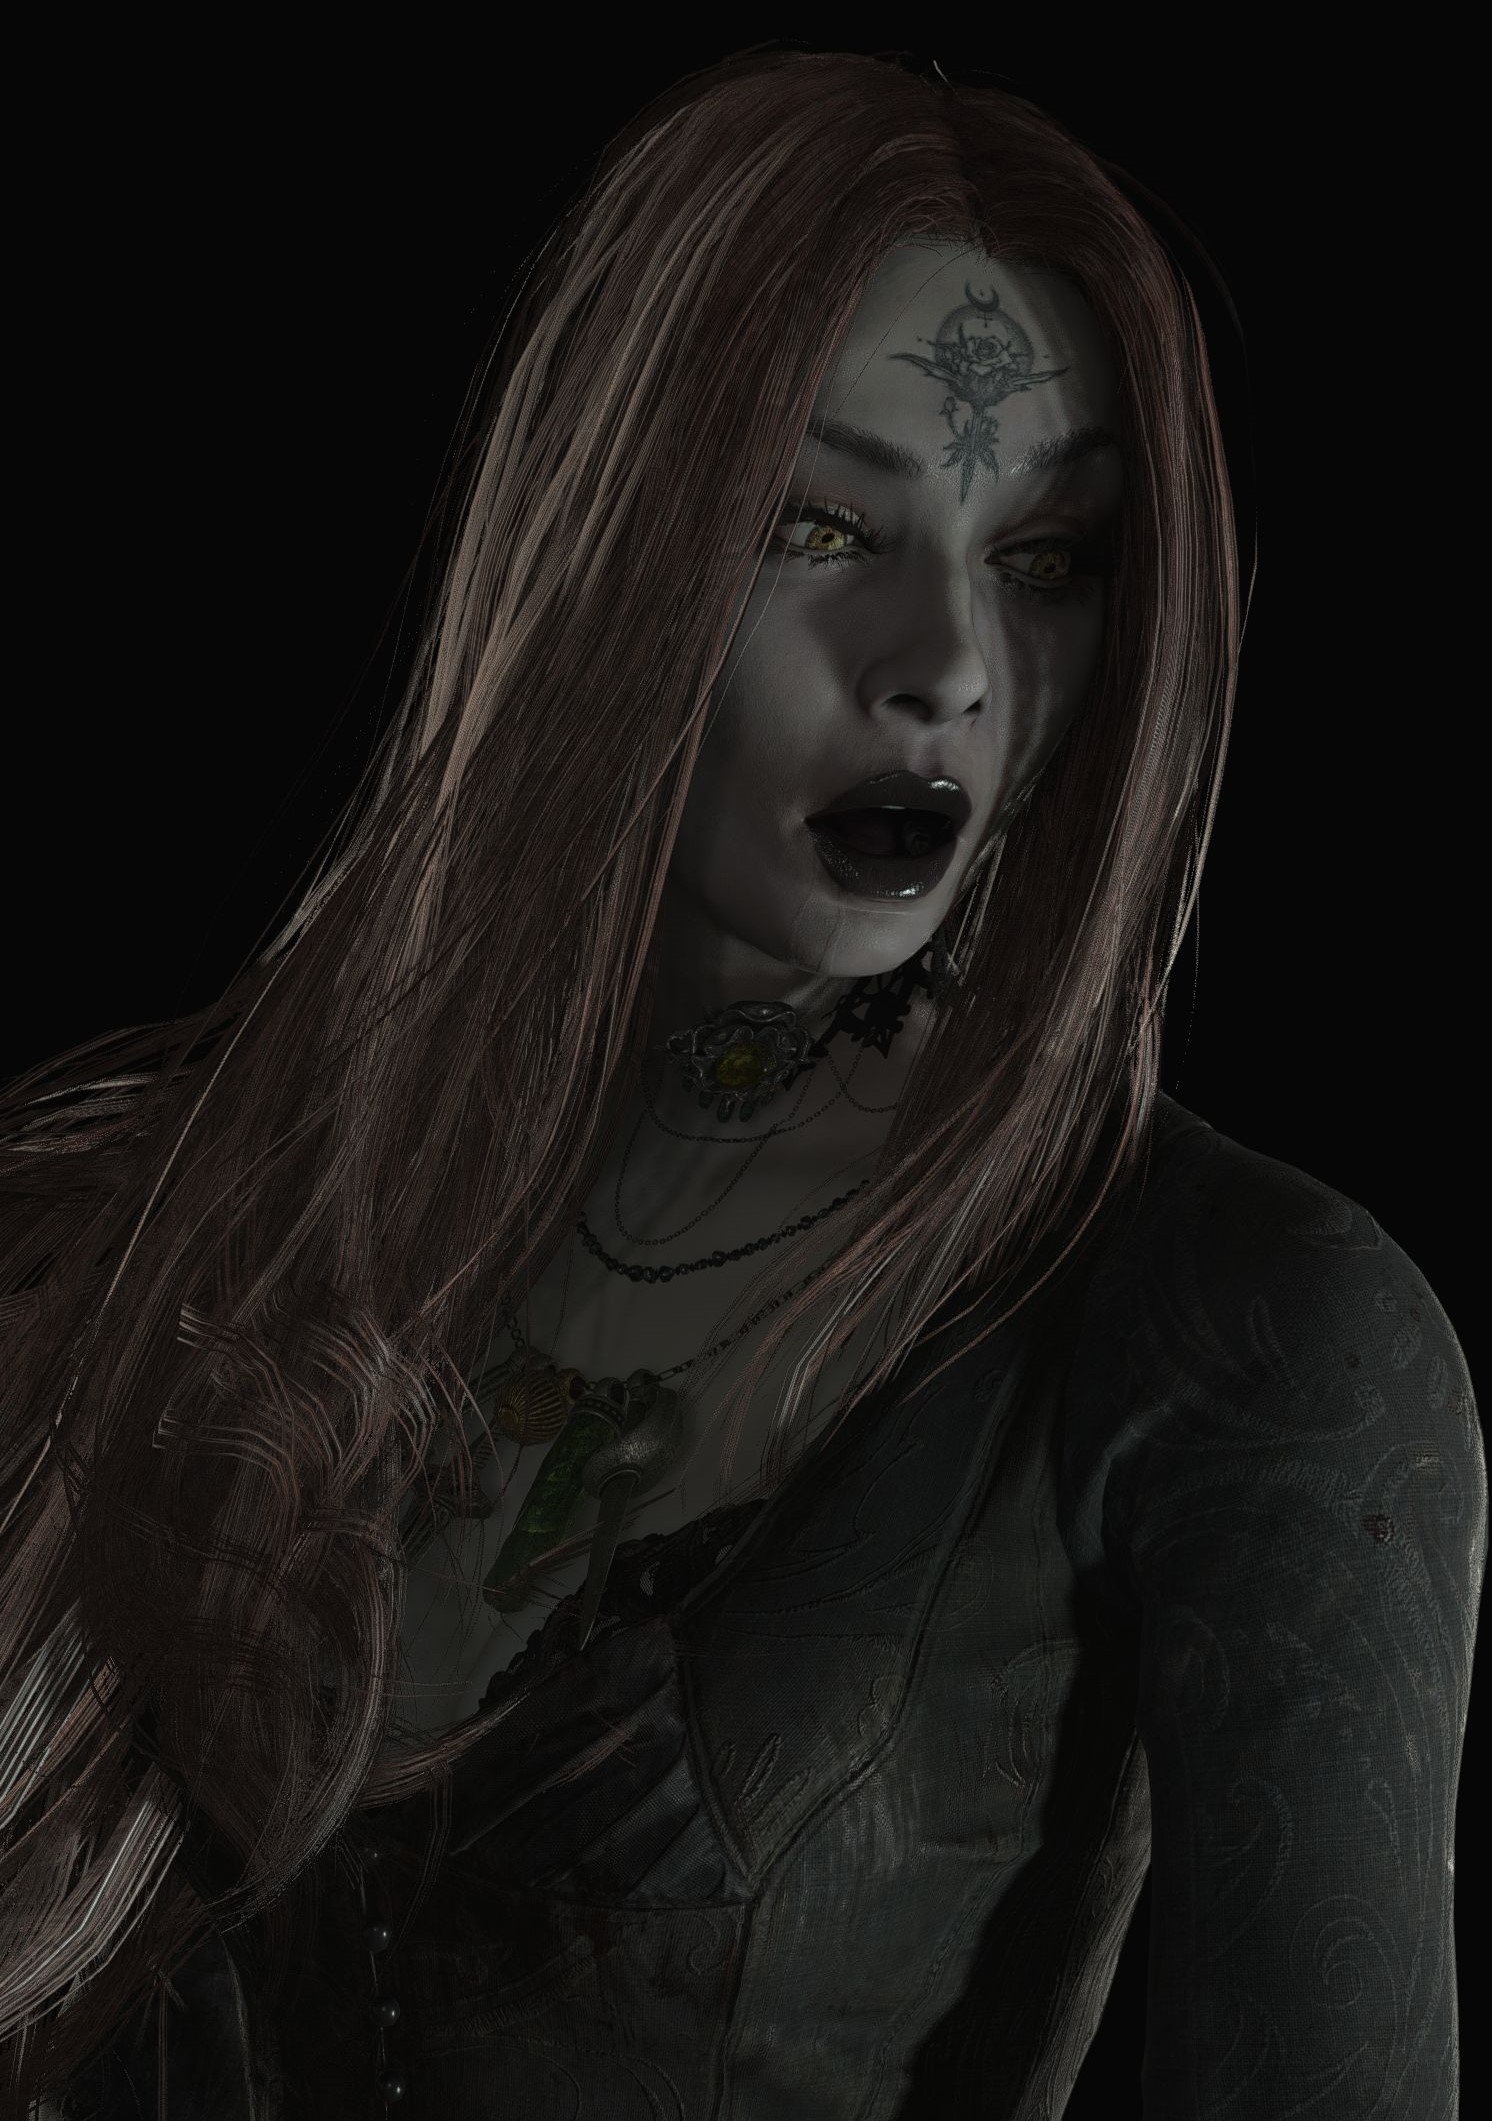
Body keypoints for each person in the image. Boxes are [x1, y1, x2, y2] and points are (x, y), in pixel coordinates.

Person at [2, 47, 1481, 2121]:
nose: (945, 660)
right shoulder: (162, 1223)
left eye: (1049, 556)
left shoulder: (1243, 1330)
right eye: (820, 523)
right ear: (606, 540)